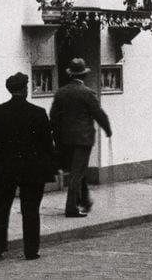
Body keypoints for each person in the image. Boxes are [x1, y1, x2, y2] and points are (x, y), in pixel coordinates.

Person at [0, 72, 56, 262]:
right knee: (31, 210)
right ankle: (31, 251)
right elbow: (47, 145)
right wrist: (49, 168)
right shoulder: (38, 113)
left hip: (4, 169)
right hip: (32, 171)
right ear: (24, 89)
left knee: (0, 210)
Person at [50, 58, 112, 218]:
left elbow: (53, 117)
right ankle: (71, 207)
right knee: (77, 172)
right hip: (83, 139)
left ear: (70, 74)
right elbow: (99, 114)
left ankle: (84, 200)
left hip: (65, 140)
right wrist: (107, 130)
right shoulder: (87, 93)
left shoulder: (61, 93)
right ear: (83, 75)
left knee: (77, 169)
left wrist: (57, 137)